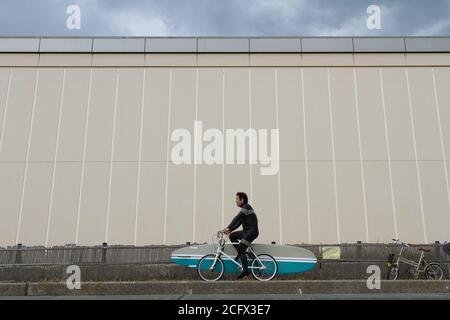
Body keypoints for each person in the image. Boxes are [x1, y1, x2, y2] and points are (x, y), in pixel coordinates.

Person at [223, 192, 259, 279]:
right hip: (246, 232)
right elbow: (239, 223)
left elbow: (236, 218)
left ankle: (245, 270)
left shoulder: (246, 207)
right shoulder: (244, 209)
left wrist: (228, 227)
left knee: (240, 249)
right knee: (232, 236)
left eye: (237, 199)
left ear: (242, 200)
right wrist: (230, 230)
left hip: (251, 232)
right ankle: (242, 253)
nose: (235, 201)